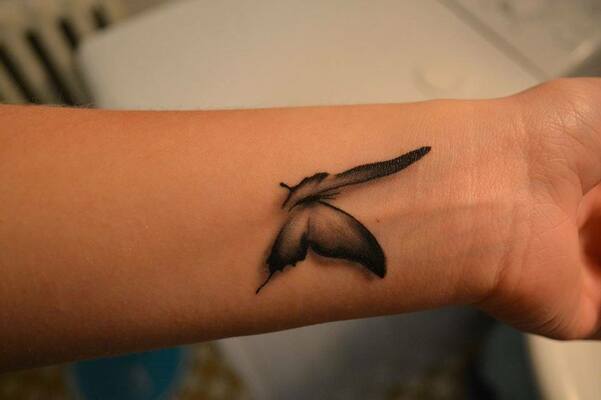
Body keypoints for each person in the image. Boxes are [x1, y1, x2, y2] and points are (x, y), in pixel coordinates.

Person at [1, 78, 601, 372]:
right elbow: (382, 170)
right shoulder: (316, 202)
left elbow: (386, 167)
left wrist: (515, 177)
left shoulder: (315, 203)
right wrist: (515, 171)